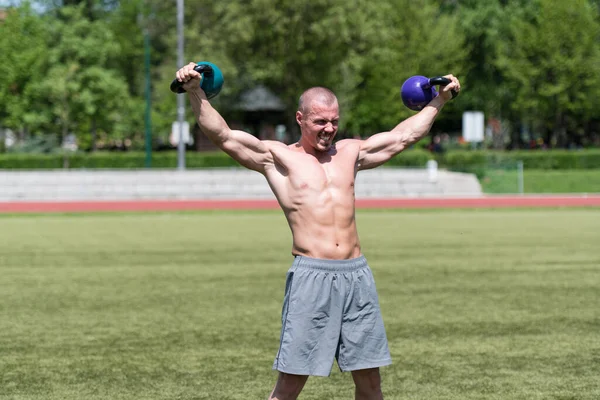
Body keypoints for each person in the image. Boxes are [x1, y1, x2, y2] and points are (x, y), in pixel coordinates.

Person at [175, 63, 461, 400]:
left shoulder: (351, 153)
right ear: (300, 119)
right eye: (320, 122)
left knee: (370, 382)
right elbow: (221, 135)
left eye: (334, 121)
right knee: (290, 384)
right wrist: (195, 91)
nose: (329, 129)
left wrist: (438, 101)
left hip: (357, 276)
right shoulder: (277, 158)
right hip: (312, 276)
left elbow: (404, 136)